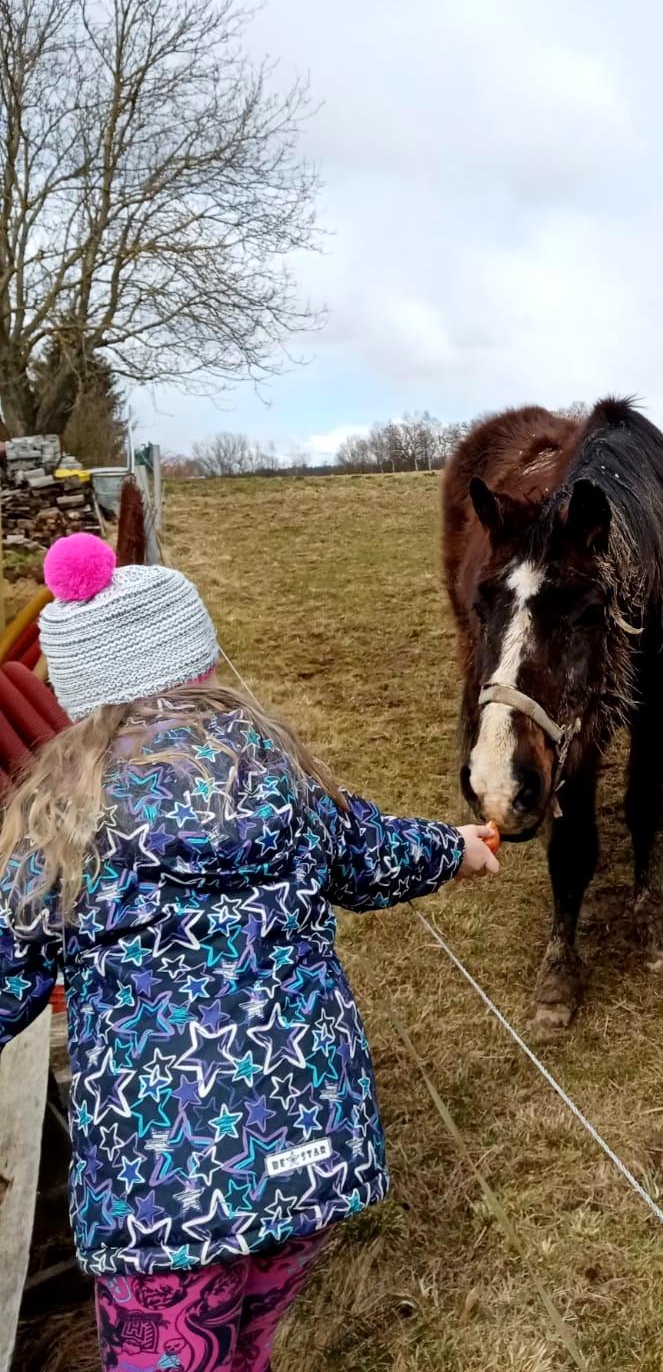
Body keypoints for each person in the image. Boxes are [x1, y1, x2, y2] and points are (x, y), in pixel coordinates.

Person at [0, 533, 499, 1372]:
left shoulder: (60, 827)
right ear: (199, 661)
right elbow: (371, 855)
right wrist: (456, 848)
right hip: (310, 1161)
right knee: (246, 1342)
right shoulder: (282, 776)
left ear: (80, 690)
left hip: (162, 1201)